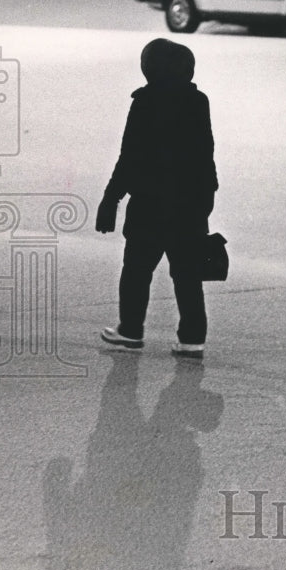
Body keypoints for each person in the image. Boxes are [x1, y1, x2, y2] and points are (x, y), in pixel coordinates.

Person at [95, 38, 218, 358]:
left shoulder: (145, 102)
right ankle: (192, 337)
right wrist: (206, 200)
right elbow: (206, 155)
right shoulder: (198, 102)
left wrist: (111, 199)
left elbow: (129, 158)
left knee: (136, 269)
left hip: (150, 204)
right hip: (189, 205)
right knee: (187, 274)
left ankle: (131, 330)